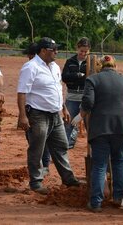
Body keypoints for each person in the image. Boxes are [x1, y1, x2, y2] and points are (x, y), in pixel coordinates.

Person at [17, 37, 79, 195]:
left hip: (55, 114)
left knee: (61, 146)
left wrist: (63, 108)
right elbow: (22, 93)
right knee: (37, 149)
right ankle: (36, 182)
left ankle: (68, 178)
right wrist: (23, 116)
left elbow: (57, 88)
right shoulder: (30, 67)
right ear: (43, 51)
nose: (56, 52)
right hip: (37, 114)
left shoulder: (55, 67)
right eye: (53, 50)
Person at [81, 55, 123, 213]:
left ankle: (96, 202)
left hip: (101, 127)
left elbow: (88, 102)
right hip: (122, 127)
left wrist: (81, 114)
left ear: (99, 66)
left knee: (100, 165)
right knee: (118, 162)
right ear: (115, 66)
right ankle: (118, 197)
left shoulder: (93, 79)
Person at [23, 42, 51, 176]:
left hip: (40, 111)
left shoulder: (43, 67)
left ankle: (44, 165)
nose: (28, 59)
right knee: (33, 139)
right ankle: (40, 164)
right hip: (30, 109)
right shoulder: (30, 67)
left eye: (30, 56)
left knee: (41, 140)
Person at [61, 37, 91, 149]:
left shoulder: (90, 63)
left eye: (85, 51)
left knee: (90, 126)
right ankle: (63, 149)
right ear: (77, 48)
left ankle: (92, 151)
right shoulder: (70, 62)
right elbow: (64, 77)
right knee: (68, 124)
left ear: (89, 50)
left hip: (86, 98)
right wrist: (78, 76)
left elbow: (91, 78)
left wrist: (73, 78)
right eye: (81, 51)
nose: (83, 53)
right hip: (72, 98)